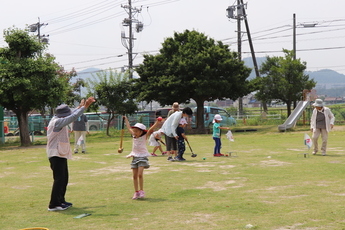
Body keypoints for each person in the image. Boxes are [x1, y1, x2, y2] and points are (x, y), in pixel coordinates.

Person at [46, 97, 95, 211]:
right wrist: (84, 107)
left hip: (60, 152)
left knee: (64, 178)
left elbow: (71, 114)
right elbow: (72, 117)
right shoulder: (57, 122)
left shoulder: (58, 117)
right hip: (55, 153)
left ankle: (61, 200)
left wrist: (79, 107)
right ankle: (53, 204)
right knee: (59, 179)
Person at [124, 116, 160, 200]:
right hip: (134, 156)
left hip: (143, 156)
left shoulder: (144, 136)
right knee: (134, 176)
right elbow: (128, 127)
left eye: (136, 131)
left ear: (141, 132)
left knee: (140, 174)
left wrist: (157, 123)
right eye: (134, 131)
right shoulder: (133, 136)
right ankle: (136, 192)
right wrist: (125, 119)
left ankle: (141, 191)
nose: (134, 132)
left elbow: (151, 129)